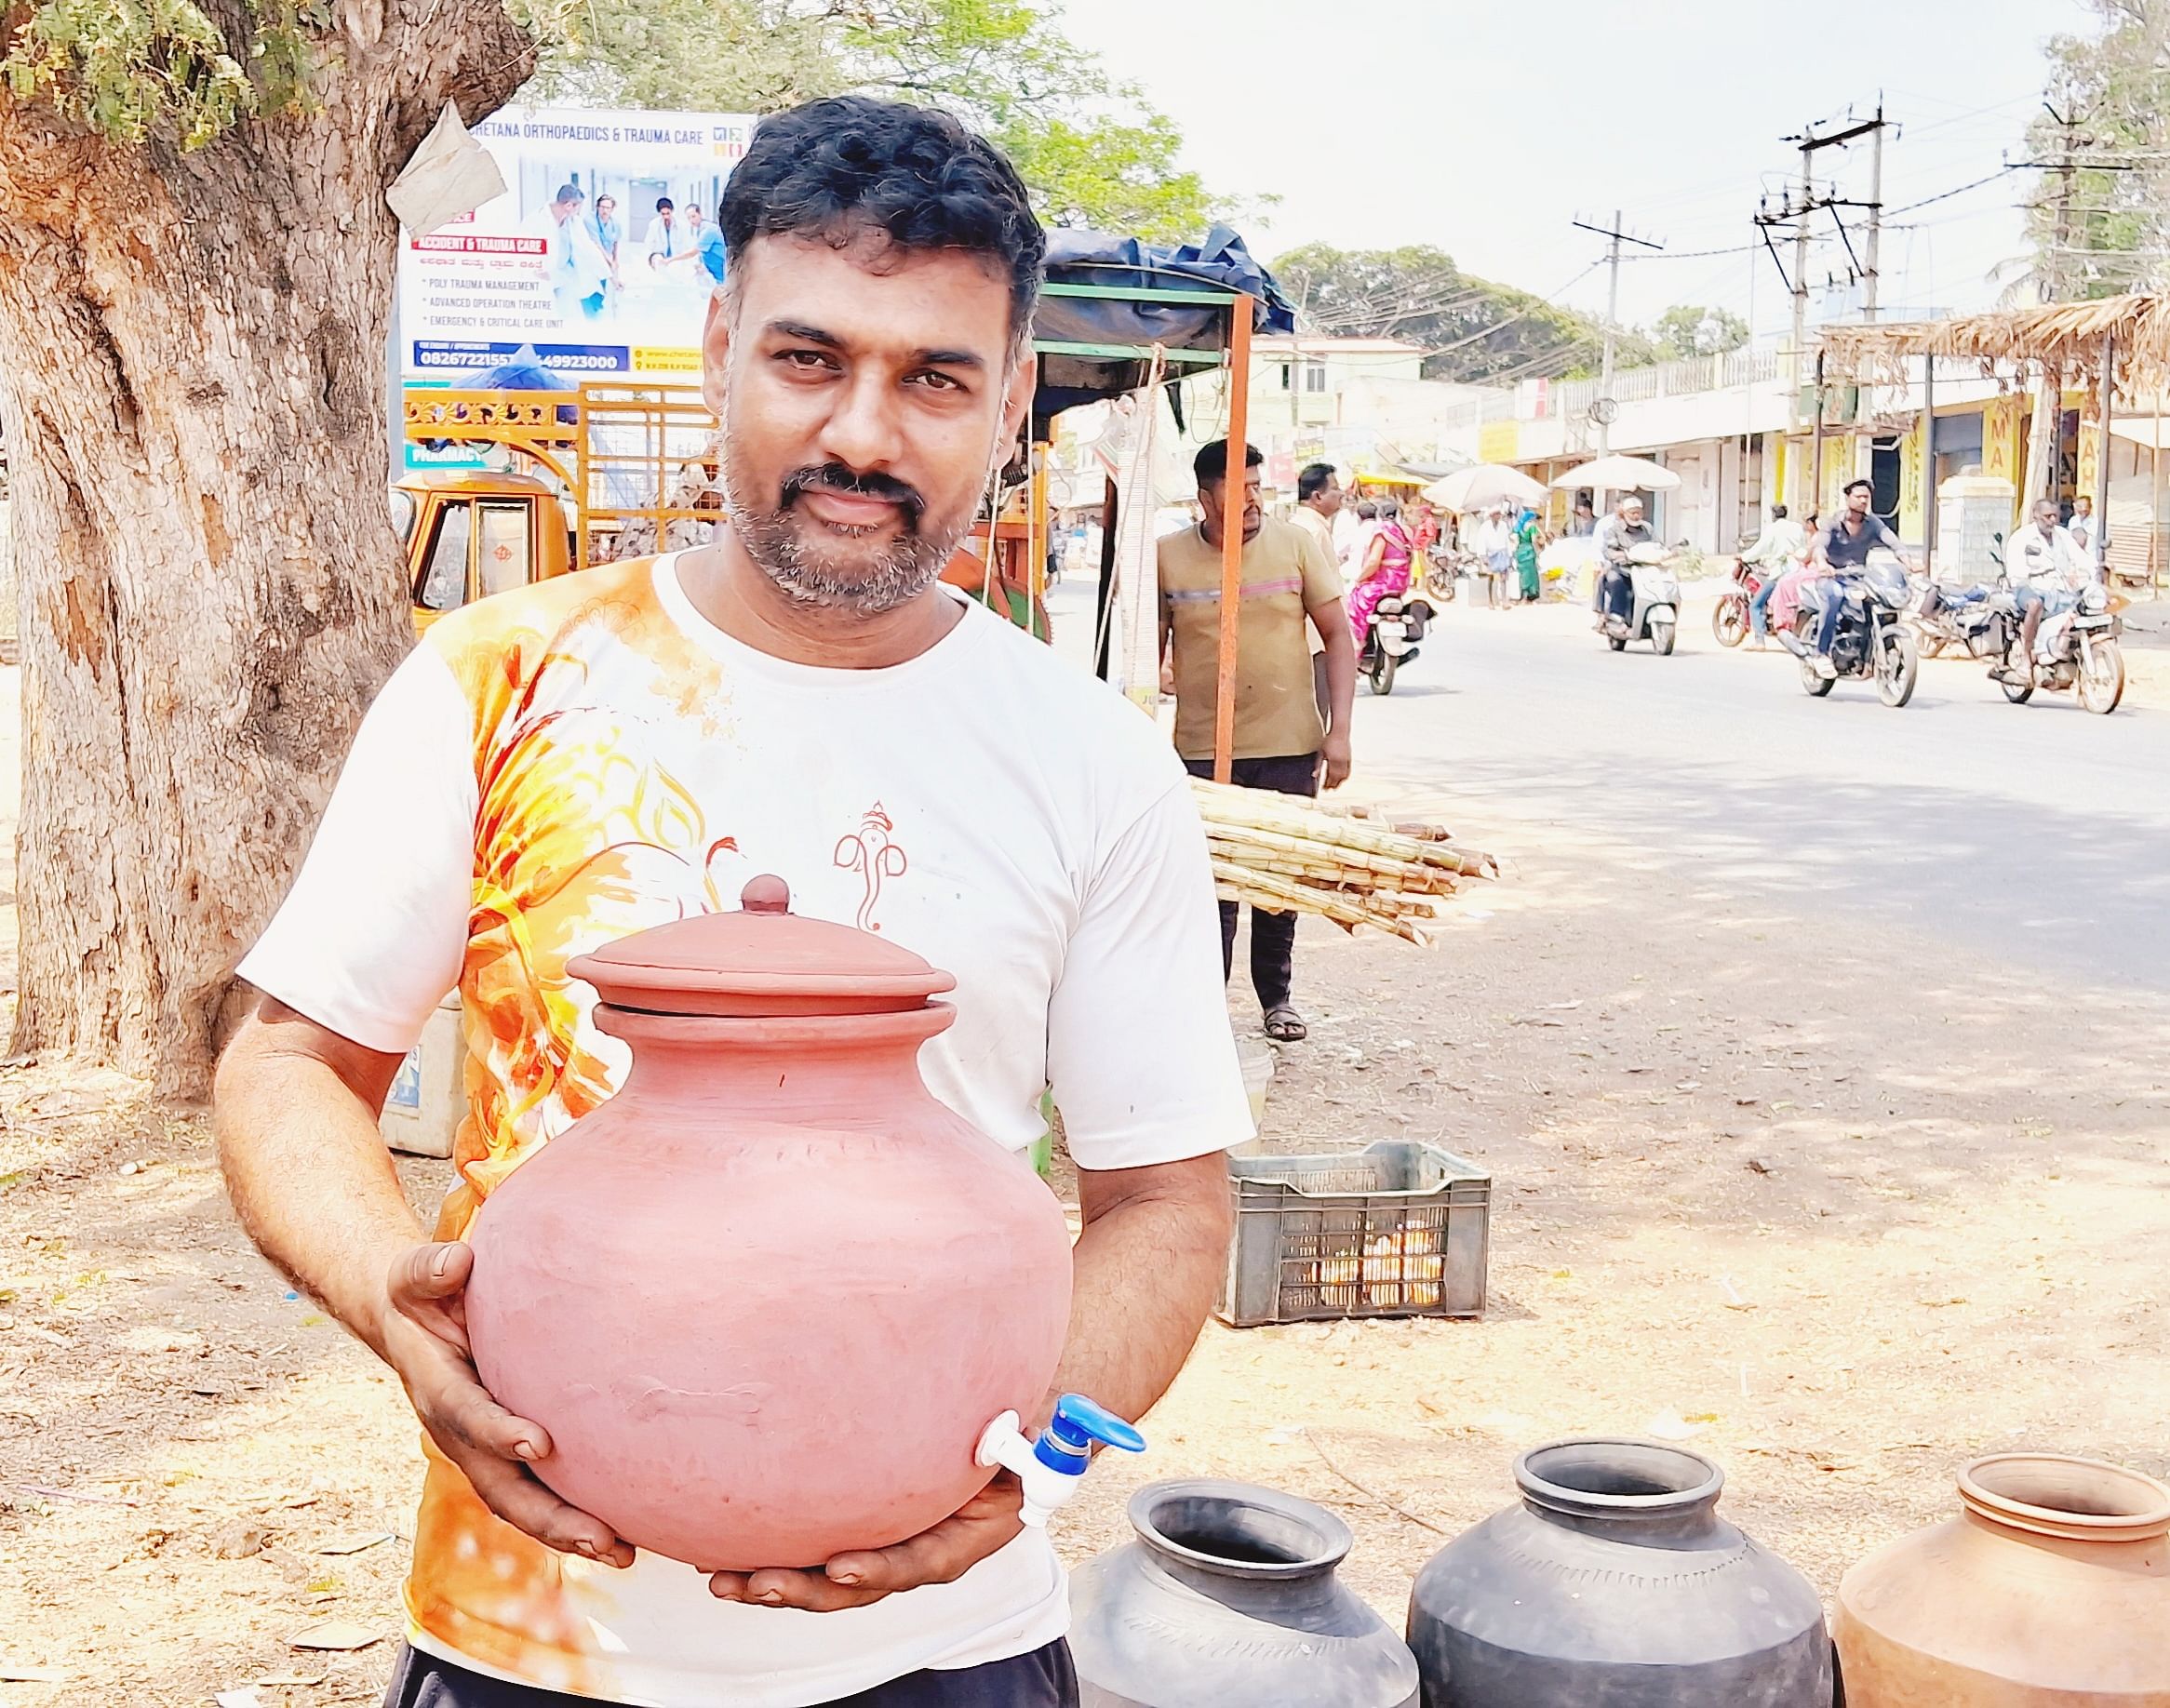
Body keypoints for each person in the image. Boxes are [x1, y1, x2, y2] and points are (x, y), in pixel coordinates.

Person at [216, 96, 1249, 1708]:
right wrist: (393, 1307)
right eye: (807, 357)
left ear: (1010, 402)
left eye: (932, 378)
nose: (860, 433)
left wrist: (1027, 1469)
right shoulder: (500, 681)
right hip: (534, 1628)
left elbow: (1164, 1202)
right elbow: (290, 1064)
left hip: (943, 1646)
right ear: (718, 349)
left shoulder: (1091, 758)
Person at [1159, 440, 1356, 1043]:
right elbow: (1146, 655)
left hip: (1288, 744)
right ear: (1203, 498)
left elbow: (1338, 637)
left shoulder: (1295, 545)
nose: (1249, 500)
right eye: (1234, 489)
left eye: (1255, 487)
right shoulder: (1168, 558)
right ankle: (1204, 1006)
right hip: (1199, 749)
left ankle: (1277, 998)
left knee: (1280, 880)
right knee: (1208, 885)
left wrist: (1339, 730)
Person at [1805, 479, 1916, 677]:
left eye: (1867, 497)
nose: (1863, 500)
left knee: (1879, 601)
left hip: (1858, 577)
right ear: (1848, 497)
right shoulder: (1833, 523)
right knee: (1835, 597)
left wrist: (1909, 562)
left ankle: (1869, 652)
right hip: (1832, 577)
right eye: (1859, 496)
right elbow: (1820, 545)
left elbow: (1894, 542)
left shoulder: (1873, 524)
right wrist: (1822, 563)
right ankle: (1820, 653)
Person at [2003, 496, 2093, 678]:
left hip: (2057, 587)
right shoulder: (2022, 537)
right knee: (2035, 604)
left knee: (2085, 605)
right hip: (2027, 586)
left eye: (2055, 516)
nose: (2052, 520)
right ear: (2036, 515)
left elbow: (2080, 558)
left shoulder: (2062, 535)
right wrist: (2030, 582)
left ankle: (2062, 651)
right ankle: (2026, 659)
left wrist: (2091, 573)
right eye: (2048, 516)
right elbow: (2016, 572)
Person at [1290, 463, 1346, 722]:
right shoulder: (1310, 531)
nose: (1341, 494)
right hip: (1314, 635)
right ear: (1317, 496)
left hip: (1308, 635)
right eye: (1335, 489)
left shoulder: (1303, 526)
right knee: (1316, 710)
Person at [525, 183, 610, 323]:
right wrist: (534, 270)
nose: (579, 212)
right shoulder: (535, 220)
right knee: (546, 320)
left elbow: (588, 248)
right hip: (542, 280)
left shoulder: (573, 221)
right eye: (579, 207)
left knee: (570, 319)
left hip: (565, 276)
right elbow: (523, 250)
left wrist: (609, 275)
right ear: (569, 206)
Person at [1738, 502, 1807, 649]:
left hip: (1780, 573)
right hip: (1798, 571)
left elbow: (1760, 548)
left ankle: (1759, 641)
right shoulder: (1797, 528)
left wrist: (1744, 557)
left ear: (1773, 515)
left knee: (1755, 605)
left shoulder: (1773, 529)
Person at [1347, 497, 1414, 644]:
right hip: (1401, 584)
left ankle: (1360, 643)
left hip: (1384, 583)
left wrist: (1359, 579)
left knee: (1354, 601)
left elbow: (1373, 562)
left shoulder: (1382, 531)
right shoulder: (1405, 531)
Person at [1595, 494, 1654, 630]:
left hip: (1645, 569)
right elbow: (1609, 549)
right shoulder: (1614, 530)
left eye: (1638, 512)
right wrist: (1619, 554)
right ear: (1624, 513)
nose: (1636, 515)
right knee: (1615, 580)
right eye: (1632, 512)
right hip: (1623, 569)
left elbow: (1657, 544)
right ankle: (1617, 615)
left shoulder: (1647, 528)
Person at [642, 194, 691, 272]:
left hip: (677, 259)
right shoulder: (654, 224)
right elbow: (648, 244)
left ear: (672, 211)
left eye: (668, 213)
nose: (666, 217)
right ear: (659, 213)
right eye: (663, 214)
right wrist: (655, 256)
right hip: (661, 258)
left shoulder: (682, 225)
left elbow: (688, 245)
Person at [1513, 504, 1542, 603]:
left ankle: (1522, 594)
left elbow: (1514, 539)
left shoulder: (1519, 527)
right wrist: (1537, 551)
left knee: (1523, 574)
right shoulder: (1532, 527)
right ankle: (1530, 595)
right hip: (1529, 551)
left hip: (1520, 551)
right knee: (1530, 574)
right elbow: (1534, 540)